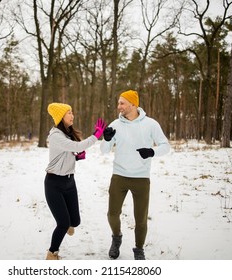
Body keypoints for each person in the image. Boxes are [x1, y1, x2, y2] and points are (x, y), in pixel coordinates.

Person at [100, 90, 170, 260]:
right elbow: (104, 151)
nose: (119, 107)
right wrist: (107, 139)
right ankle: (116, 238)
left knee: (141, 219)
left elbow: (165, 146)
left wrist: (151, 152)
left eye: (122, 103)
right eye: (118, 103)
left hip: (141, 178)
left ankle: (139, 249)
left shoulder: (151, 124)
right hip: (119, 176)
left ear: (133, 104)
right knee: (112, 214)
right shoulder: (115, 124)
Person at [44, 102, 107, 260]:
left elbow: (72, 150)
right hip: (54, 184)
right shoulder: (56, 135)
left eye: (72, 112)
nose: (73, 115)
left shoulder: (67, 133)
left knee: (75, 222)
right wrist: (95, 136)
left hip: (70, 182)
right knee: (63, 223)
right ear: (61, 117)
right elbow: (78, 146)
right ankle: (52, 253)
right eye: (69, 113)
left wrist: (75, 156)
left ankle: (67, 224)